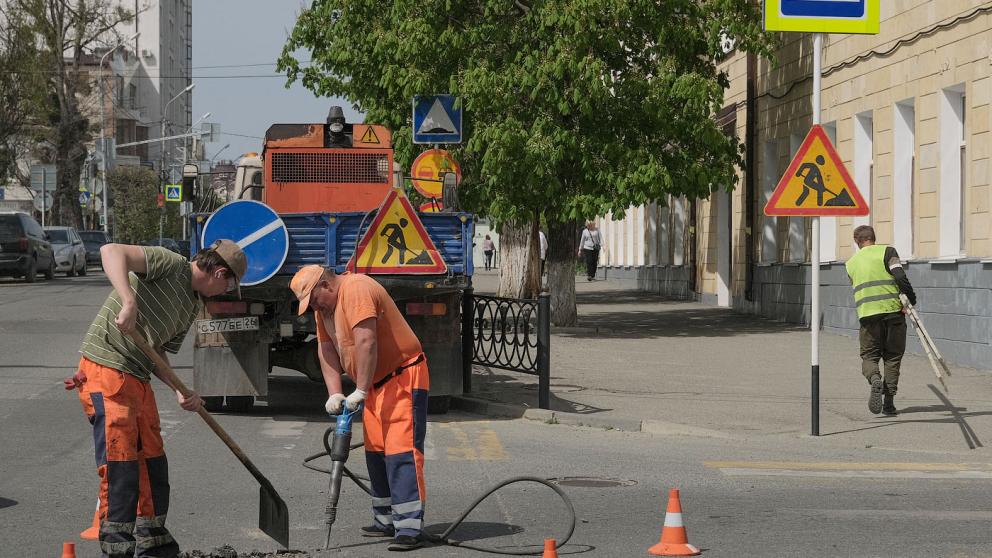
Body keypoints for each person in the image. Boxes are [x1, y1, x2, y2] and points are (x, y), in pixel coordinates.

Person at [64, 239, 246, 558]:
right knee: (120, 461)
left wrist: (179, 388)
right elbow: (111, 251)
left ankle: (153, 542)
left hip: (137, 375)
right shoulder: (170, 264)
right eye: (230, 285)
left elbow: (157, 349)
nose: (227, 291)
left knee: (152, 457)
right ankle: (117, 548)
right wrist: (128, 301)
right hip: (106, 367)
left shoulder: (190, 305)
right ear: (219, 273)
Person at [290, 265, 429, 552]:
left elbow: (367, 340)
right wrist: (335, 393)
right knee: (376, 452)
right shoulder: (324, 311)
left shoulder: (355, 289)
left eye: (315, 300)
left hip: (402, 374)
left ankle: (409, 527)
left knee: (401, 450)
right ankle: (385, 519)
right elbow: (326, 349)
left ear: (325, 284)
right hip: (375, 383)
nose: (315, 307)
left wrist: (361, 389)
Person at [845, 225, 917, 416]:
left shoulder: (850, 263)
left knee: (869, 356)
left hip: (868, 317)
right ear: (873, 238)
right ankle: (889, 404)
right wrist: (910, 299)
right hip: (894, 313)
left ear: (857, 241)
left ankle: (874, 378)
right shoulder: (888, 252)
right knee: (893, 358)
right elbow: (900, 276)